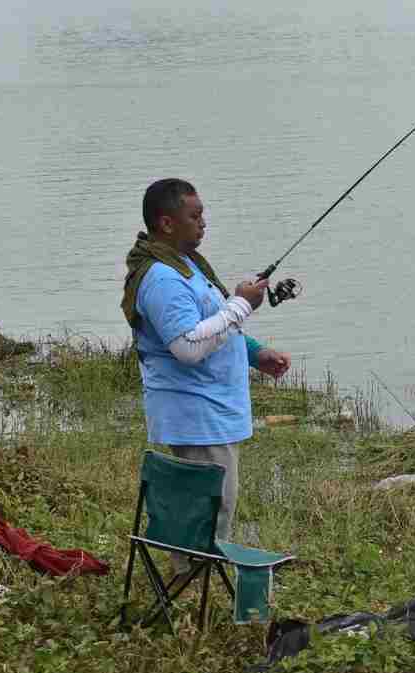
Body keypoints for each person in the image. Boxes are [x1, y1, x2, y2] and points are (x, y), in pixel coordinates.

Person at [120, 178, 292, 580]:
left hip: (214, 411)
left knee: (216, 509)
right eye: (194, 216)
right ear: (166, 222)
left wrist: (254, 353)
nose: (203, 223)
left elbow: (210, 325)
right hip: (196, 415)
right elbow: (186, 345)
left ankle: (197, 586)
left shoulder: (187, 264)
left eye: (203, 215)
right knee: (205, 516)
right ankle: (194, 588)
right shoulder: (162, 278)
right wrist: (241, 304)